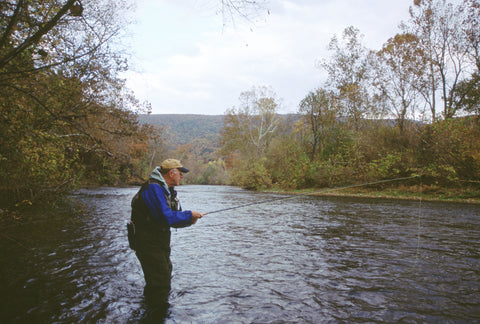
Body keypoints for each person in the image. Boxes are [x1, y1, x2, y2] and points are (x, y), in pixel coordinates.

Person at [130, 159, 204, 319]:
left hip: (158, 242)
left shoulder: (165, 190)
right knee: (160, 282)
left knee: (162, 277)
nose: (182, 177)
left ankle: (152, 311)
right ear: (171, 173)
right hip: (148, 243)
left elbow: (170, 219)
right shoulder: (154, 189)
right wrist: (189, 214)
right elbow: (166, 217)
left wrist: (189, 220)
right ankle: (155, 316)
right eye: (180, 173)